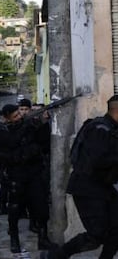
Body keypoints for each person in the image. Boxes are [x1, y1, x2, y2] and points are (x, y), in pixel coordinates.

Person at [40, 95, 118, 259]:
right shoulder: (100, 129)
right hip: (88, 188)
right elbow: (97, 161)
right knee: (96, 235)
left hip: (103, 187)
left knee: (116, 229)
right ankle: (54, 256)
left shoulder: (110, 129)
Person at [0, 104, 53, 253]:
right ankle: (14, 240)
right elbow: (11, 142)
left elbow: (43, 142)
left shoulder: (29, 125)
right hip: (16, 175)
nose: (19, 117)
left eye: (19, 114)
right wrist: (25, 126)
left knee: (41, 207)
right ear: (6, 118)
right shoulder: (0, 130)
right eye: (15, 116)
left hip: (34, 173)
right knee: (14, 210)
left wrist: (43, 123)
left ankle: (43, 238)